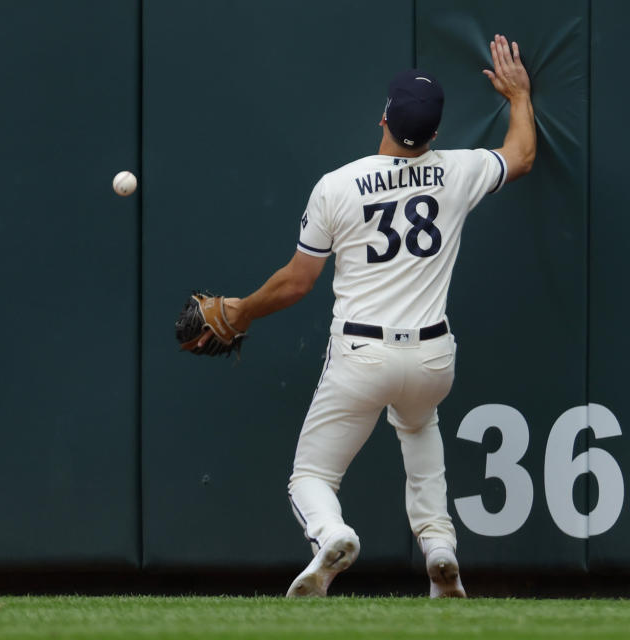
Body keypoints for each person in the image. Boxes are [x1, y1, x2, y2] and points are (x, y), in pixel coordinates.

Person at [193, 34, 535, 597]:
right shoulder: (457, 171)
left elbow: (296, 283)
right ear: (434, 134)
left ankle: (330, 533)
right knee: (420, 427)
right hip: (431, 358)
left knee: (311, 477)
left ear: (383, 116)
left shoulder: (338, 185)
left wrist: (244, 311)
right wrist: (520, 96)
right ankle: (441, 547)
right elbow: (520, 155)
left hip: (361, 353)